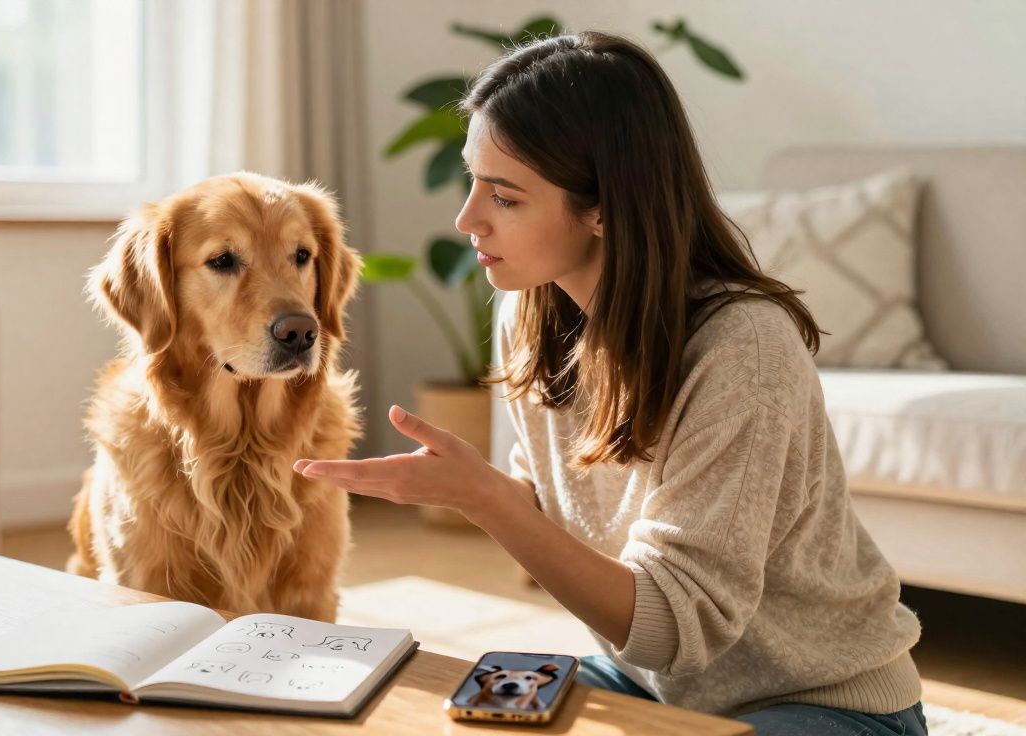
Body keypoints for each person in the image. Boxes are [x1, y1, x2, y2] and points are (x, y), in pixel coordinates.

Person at [294, 30, 926, 736]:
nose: (467, 218)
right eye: (473, 180)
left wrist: (485, 502)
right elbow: (551, 516)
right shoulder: (528, 313)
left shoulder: (743, 347)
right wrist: (478, 489)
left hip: (822, 700)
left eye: (504, 196)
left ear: (603, 207)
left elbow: (676, 628)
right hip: (648, 684)